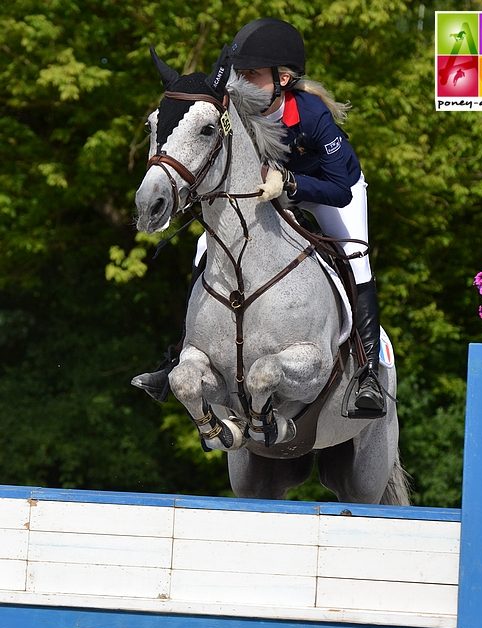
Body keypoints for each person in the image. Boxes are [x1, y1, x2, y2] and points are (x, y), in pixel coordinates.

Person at [135, 18, 385, 417]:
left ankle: (369, 373)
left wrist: (289, 182)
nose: (243, 81)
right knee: (206, 247)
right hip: (271, 189)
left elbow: (339, 188)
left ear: (283, 78)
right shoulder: (237, 110)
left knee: (357, 260)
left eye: (252, 74)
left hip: (331, 191)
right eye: (241, 73)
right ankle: (176, 358)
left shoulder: (313, 115)